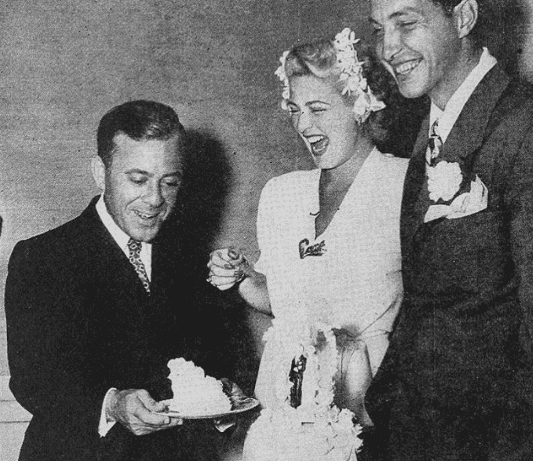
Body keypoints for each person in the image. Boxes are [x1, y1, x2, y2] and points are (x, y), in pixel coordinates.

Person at [366, 0, 533, 460]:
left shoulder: (522, 125)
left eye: (407, 24)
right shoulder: (421, 131)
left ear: (462, 18)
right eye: (380, 30)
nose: (389, 50)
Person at [208, 29, 409, 454]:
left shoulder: (404, 185)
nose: (302, 124)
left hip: (371, 418)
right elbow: (283, 300)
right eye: (295, 109)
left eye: (317, 108)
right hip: (282, 417)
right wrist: (242, 277)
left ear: (360, 105)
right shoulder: (282, 194)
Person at [5, 101, 224, 461]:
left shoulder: (190, 260)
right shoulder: (44, 257)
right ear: (100, 172)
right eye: (138, 180)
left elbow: (214, 356)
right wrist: (112, 403)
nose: (155, 200)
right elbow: (34, 378)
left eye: (169, 182)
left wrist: (220, 388)